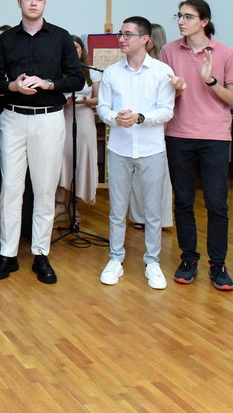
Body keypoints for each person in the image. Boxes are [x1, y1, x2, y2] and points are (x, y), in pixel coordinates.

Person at [0, 0, 83, 284]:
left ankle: (41, 253)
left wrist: (49, 84)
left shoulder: (61, 37)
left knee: (44, 189)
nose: (33, 3)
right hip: (13, 118)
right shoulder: (7, 40)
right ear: (19, 3)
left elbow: (77, 79)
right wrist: (13, 86)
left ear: (45, 3)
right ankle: (8, 254)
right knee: (11, 189)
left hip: (48, 119)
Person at [158, 0, 233, 290]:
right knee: (183, 202)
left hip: (214, 137)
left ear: (204, 21)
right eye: (179, 16)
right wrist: (176, 90)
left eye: (188, 16)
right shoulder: (168, 51)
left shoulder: (225, 53)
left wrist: (210, 81)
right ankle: (188, 259)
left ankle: (218, 264)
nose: (181, 21)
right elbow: (163, 98)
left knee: (217, 204)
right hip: (179, 135)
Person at [97, 16, 175, 290]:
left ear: (145, 39)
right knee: (117, 209)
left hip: (151, 148)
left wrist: (141, 117)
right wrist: (115, 118)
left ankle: (152, 261)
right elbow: (103, 108)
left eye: (128, 34)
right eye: (120, 34)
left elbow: (167, 110)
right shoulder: (111, 73)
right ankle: (115, 258)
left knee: (152, 210)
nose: (121, 39)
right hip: (119, 148)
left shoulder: (162, 71)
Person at [129, 23, 175, 230]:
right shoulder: (133, 64)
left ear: (150, 40)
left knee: (158, 176)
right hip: (134, 124)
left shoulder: (162, 67)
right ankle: (139, 216)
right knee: (136, 175)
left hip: (157, 124)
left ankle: (159, 218)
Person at [55, 35, 99, 219]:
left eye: (77, 47)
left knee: (81, 160)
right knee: (62, 159)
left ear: (82, 51)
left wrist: (85, 101)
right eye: (70, 47)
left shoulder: (92, 71)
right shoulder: (58, 70)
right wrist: (63, 102)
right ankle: (59, 203)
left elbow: (99, 99)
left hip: (84, 118)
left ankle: (75, 204)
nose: (73, 51)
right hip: (63, 117)